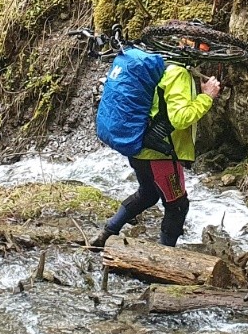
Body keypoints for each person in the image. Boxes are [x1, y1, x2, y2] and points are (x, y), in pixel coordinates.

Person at [92, 63, 221, 248]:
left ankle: (107, 232)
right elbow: (181, 118)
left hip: (139, 146)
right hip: (161, 154)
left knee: (148, 194)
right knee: (177, 206)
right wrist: (206, 97)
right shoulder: (179, 74)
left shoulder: (159, 67)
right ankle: (164, 255)